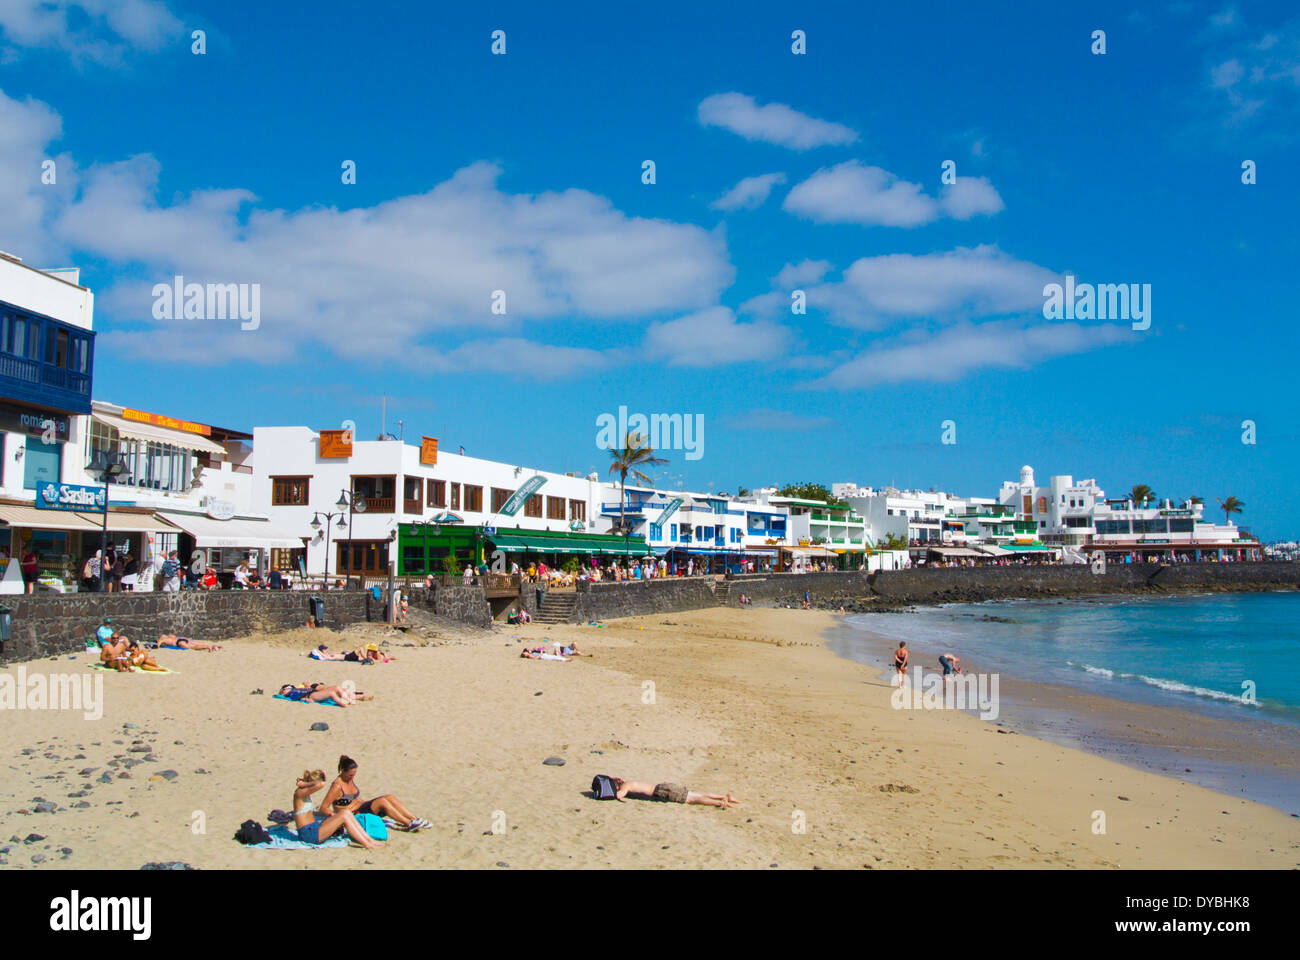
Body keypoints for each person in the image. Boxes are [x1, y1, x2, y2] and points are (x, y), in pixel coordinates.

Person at [320, 755, 431, 831]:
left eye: (354, 774)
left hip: (362, 807)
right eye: (350, 775)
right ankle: (408, 823)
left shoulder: (348, 779)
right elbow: (324, 807)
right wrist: (336, 818)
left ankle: (415, 819)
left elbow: (355, 798)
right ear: (342, 771)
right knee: (382, 802)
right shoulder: (336, 786)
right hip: (354, 814)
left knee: (389, 797)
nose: (352, 777)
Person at [292, 770, 385, 848]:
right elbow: (320, 784)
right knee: (344, 816)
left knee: (346, 813)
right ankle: (367, 844)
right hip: (308, 834)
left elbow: (319, 783)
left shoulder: (305, 794)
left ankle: (369, 840)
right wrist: (304, 783)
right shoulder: (299, 793)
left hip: (314, 827)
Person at [608, 777, 742, 809]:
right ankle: (723, 796)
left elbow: (621, 794)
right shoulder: (630, 782)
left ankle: (719, 802)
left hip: (662, 791)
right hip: (663, 786)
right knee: (693, 794)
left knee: (691, 799)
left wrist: (614, 794)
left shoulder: (626, 786)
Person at [278, 682, 371, 706]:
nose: (284, 691)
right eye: (284, 690)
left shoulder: (295, 690)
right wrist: (305, 699)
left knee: (337, 688)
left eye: (285, 689)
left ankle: (350, 700)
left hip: (313, 692)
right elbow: (298, 698)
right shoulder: (290, 694)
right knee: (331, 693)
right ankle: (346, 704)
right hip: (311, 696)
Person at [158, 634, 222, 651]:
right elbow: (177, 637)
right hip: (182, 639)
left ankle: (208, 647)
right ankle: (213, 646)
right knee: (196, 643)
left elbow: (158, 645)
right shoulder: (170, 636)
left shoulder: (162, 639)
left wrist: (158, 644)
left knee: (193, 647)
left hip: (179, 642)